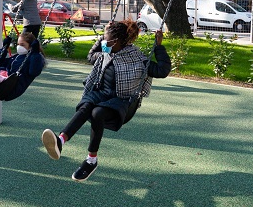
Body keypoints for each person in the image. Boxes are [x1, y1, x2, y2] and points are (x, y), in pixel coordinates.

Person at [41, 19, 171, 182]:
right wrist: (102, 37)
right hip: (101, 94)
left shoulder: (138, 60)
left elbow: (162, 70)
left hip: (120, 101)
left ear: (117, 42)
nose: (104, 43)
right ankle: (60, 141)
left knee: (98, 113)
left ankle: (91, 160)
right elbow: (91, 56)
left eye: (106, 40)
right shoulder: (106, 54)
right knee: (85, 106)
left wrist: (159, 46)